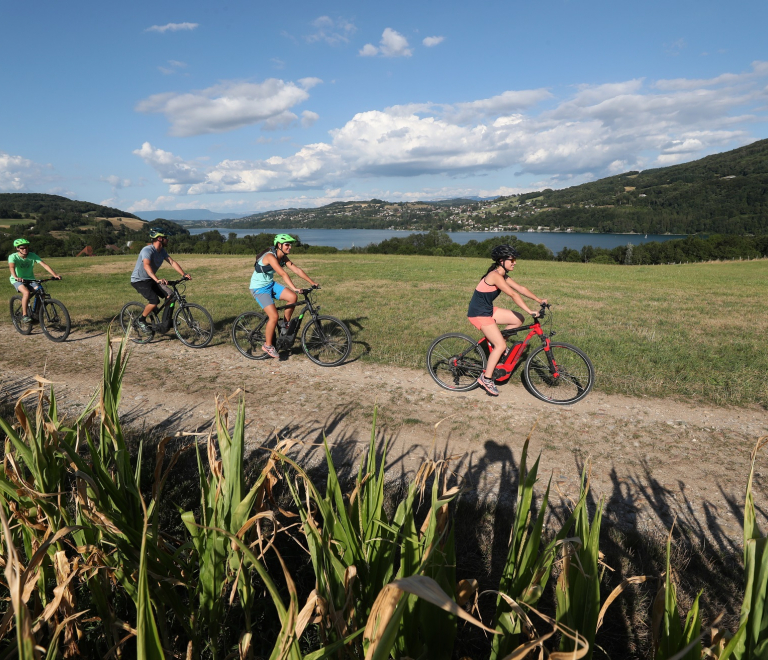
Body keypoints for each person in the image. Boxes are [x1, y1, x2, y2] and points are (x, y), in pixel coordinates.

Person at [467, 244, 547, 396]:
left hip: (488, 311)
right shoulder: (494, 275)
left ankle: (496, 342)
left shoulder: (502, 275)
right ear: (501, 260)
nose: (515, 262)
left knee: (518, 319)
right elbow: (513, 295)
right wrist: (530, 310)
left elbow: (520, 289)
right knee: (501, 345)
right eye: (512, 259)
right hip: (479, 314)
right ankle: (486, 378)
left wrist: (539, 299)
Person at [250, 234, 319, 358]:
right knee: (274, 316)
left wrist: (312, 282)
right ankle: (268, 345)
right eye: (287, 244)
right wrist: (294, 288)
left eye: (290, 244)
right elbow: (282, 273)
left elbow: (296, 270)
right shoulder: (270, 256)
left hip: (270, 284)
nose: (290, 247)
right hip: (259, 288)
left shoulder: (283, 257)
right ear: (279, 245)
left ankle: (285, 325)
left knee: (292, 297)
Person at [130, 229, 190, 331]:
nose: (168, 239)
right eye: (166, 237)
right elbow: (146, 265)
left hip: (151, 279)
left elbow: (172, 262)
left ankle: (166, 322)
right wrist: (157, 280)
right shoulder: (147, 250)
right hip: (139, 280)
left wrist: (184, 274)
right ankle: (141, 320)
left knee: (170, 295)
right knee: (154, 301)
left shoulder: (162, 251)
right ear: (160, 238)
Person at [8, 238, 62, 322]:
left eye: (26, 247)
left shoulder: (32, 255)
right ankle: (24, 315)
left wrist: (55, 275)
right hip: (17, 280)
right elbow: (12, 267)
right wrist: (16, 277)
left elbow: (44, 265)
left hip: (30, 279)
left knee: (41, 292)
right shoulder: (13, 257)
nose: (25, 249)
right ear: (17, 248)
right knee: (26, 293)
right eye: (22, 248)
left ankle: (36, 314)